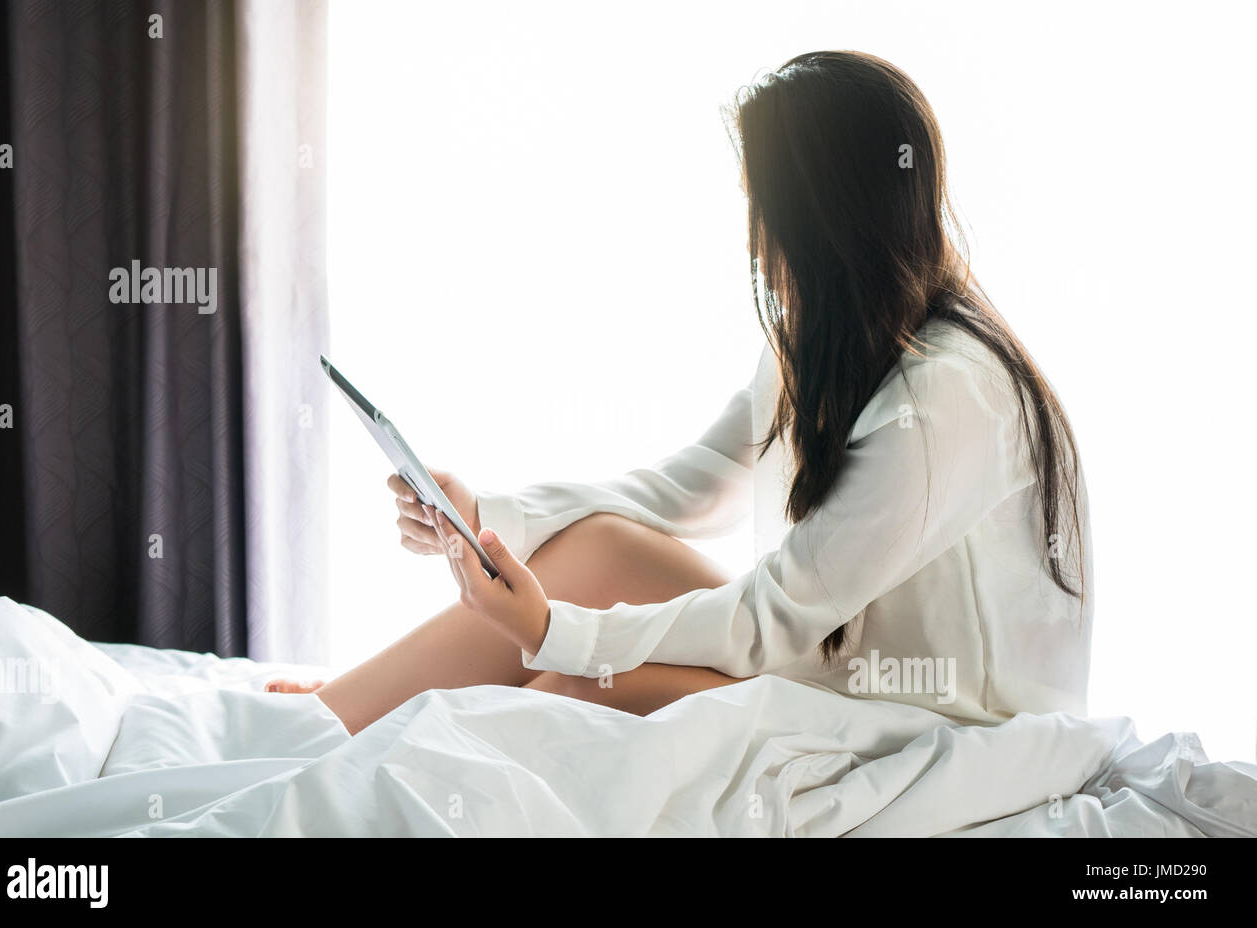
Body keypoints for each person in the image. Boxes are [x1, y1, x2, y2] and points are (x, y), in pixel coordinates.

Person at [270, 50, 1091, 737]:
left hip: (918, 718)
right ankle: (346, 715)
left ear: (818, 221)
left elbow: (772, 616)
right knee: (597, 547)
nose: (756, 235)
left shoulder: (948, 396)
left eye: (761, 207)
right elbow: (690, 487)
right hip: (829, 662)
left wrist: (552, 632)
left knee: (576, 690)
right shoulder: (832, 337)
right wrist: (483, 519)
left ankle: (398, 755)